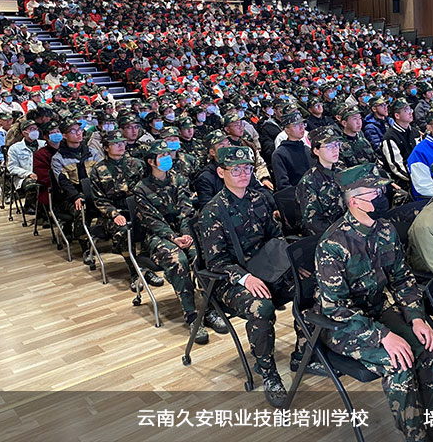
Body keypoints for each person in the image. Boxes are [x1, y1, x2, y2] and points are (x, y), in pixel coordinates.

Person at [315, 163, 433, 442]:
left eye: (380, 189)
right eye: (373, 192)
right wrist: (383, 336)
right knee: (398, 360)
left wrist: (416, 318)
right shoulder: (333, 245)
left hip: (378, 310)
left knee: (429, 345)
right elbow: (335, 308)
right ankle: (416, 436)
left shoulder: (385, 230)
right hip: (343, 325)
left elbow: (402, 278)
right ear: (354, 201)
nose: (380, 195)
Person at [199, 145, 324, 408]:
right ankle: (267, 370)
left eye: (247, 168)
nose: (243, 173)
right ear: (221, 172)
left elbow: (274, 238)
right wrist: (245, 279)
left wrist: (290, 264)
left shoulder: (260, 199)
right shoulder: (213, 211)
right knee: (261, 306)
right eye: (236, 169)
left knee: (313, 285)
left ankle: (304, 353)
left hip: (268, 268)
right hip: (229, 280)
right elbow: (215, 261)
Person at [136, 140, 226, 343]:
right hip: (158, 237)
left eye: (169, 154)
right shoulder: (141, 189)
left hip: (183, 232)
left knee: (201, 254)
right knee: (178, 260)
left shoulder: (179, 180)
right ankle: (192, 316)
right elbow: (152, 221)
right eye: (162, 156)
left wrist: (186, 234)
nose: (168, 158)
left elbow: (186, 211)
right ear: (151, 161)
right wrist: (173, 238)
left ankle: (211, 308)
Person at [89, 130, 164, 291]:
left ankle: (146, 267)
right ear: (106, 147)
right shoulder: (98, 169)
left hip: (136, 207)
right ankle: (135, 271)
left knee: (149, 225)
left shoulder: (136, 164)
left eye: (122, 142)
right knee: (123, 231)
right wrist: (114, 214)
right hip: (113, 212)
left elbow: (146, 188)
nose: (121, 145)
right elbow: (99, 200)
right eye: (116, 143)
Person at [50, 118, 100, 261]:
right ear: (64, 135)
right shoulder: (58, 158)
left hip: (93, 193)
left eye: (79, 130)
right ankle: (85, 247)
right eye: (73, 131)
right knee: (81, 209)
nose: (78, 133)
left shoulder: (91, 152)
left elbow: (100, 174)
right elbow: (63, 182)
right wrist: (76, 196)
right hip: (70, 197)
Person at [295, 126, 345, 236]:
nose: (335, 149)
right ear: (316, 150)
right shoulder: (309, 182)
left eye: (337, 144)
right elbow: (313, 223)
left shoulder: (341, 169)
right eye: (329, 146)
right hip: (330, 235)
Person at [6, 120, 44, 214]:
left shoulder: (43, 144)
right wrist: (28, 174)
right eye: (31, 129)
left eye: (36, 129)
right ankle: (30, 206)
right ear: (24, 132)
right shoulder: (15, 148)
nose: (35, 131)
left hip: (43, 173)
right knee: (33, 184)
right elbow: (12, 167)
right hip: (25, 177)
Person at [381, 98, 421, 189]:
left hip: (420, 173)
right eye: (406, 110)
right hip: (404, 181)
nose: (410, 112)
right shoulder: (390, 138)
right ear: (397, 115)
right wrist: (416, 178)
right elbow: (397, 168)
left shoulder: (415, 132)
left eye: (410, 109)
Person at [271, 110, 312, 189]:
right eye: (296, 125)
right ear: (287, 130)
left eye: (302, 124)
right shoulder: (279, 154)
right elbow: (283, 185)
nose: (301, 127)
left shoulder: (307, 149)